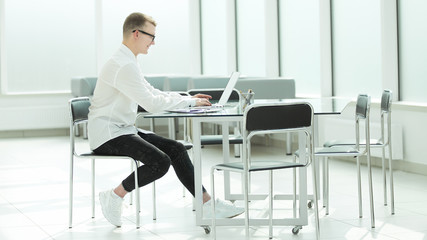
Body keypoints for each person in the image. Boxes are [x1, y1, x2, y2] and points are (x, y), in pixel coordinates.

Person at [87, 12, 244, 227]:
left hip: (122, 129)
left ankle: (207, 203)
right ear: (136, 33)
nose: (153, 42)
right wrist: (189, 103)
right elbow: (151, 104)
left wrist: (187, 99)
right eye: (151, 36)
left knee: (177, 149)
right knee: (160, 162)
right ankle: (114, 195)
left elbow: (152, 92)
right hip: (107, 134)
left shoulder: (128, 61)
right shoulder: (123, 65)